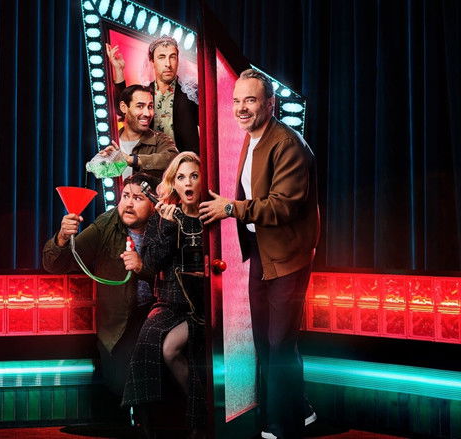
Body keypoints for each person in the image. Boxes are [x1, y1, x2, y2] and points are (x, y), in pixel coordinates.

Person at [198, 69, 320, 439]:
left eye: (250, 100)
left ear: (270, 104)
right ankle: (299, 410)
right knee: (267, 343)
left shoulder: (288, 144)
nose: (241, 108)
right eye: (237, 101)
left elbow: (282, 206)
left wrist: (230, 208)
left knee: (279, 344)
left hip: (288, 258)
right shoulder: (253, 139)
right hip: (263, 255)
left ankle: (282, 425)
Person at [42, 173, 161, 398]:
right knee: (119, 384)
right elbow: (54, 264)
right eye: (125, 196)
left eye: (138, 198)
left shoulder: (165, 226)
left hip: (157, 314)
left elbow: (177, 277)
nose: (128, 204)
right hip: (119, 323)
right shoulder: (106, 224)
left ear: (154, 205)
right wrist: (62, 238)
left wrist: (142, 267)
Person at [122, 152, 207, 437]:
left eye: (194, 176)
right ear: (173, 183)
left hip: (206, 305)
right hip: (170, 303)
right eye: (181, 177)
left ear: (204, 179)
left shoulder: (213, 213)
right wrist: (169, 227)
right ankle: (145, 423)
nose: (188, 183)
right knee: (146, 347)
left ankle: (200, 418)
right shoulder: (163, 217)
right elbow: (151, 263)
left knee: (173, 348)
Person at [106, 36, 199, 153]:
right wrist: (118, 70)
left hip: (185, 162)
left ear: (178, 60)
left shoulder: (191, 91)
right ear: (152, 61)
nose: (168, 64)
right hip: (150, 160)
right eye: (161, 57)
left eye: (172, 57)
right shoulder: (145, 92)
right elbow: (123, 110)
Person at [99, 84, 179, 180]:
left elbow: (174, 159)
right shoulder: (107, 141)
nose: (147, 113)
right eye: (140, 106)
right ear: (123, 107)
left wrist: (133, 160)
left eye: (150, 107)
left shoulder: (160, 140)